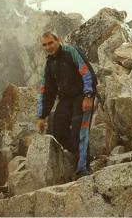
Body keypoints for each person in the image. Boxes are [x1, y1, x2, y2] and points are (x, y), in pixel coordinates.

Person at [36, 31, 96, 179]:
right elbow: (47, 91)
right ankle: (83, 156)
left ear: (58, 41)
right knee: (58, 132)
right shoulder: (49, 64)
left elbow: (87, 72)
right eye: (45, 45)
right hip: (65, 100)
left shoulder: (71, 52)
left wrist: (88, 96)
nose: (48, 47)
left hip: (82, 96)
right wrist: (42, 116)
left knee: (78, 131)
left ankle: (83, 169)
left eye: (51, 43)